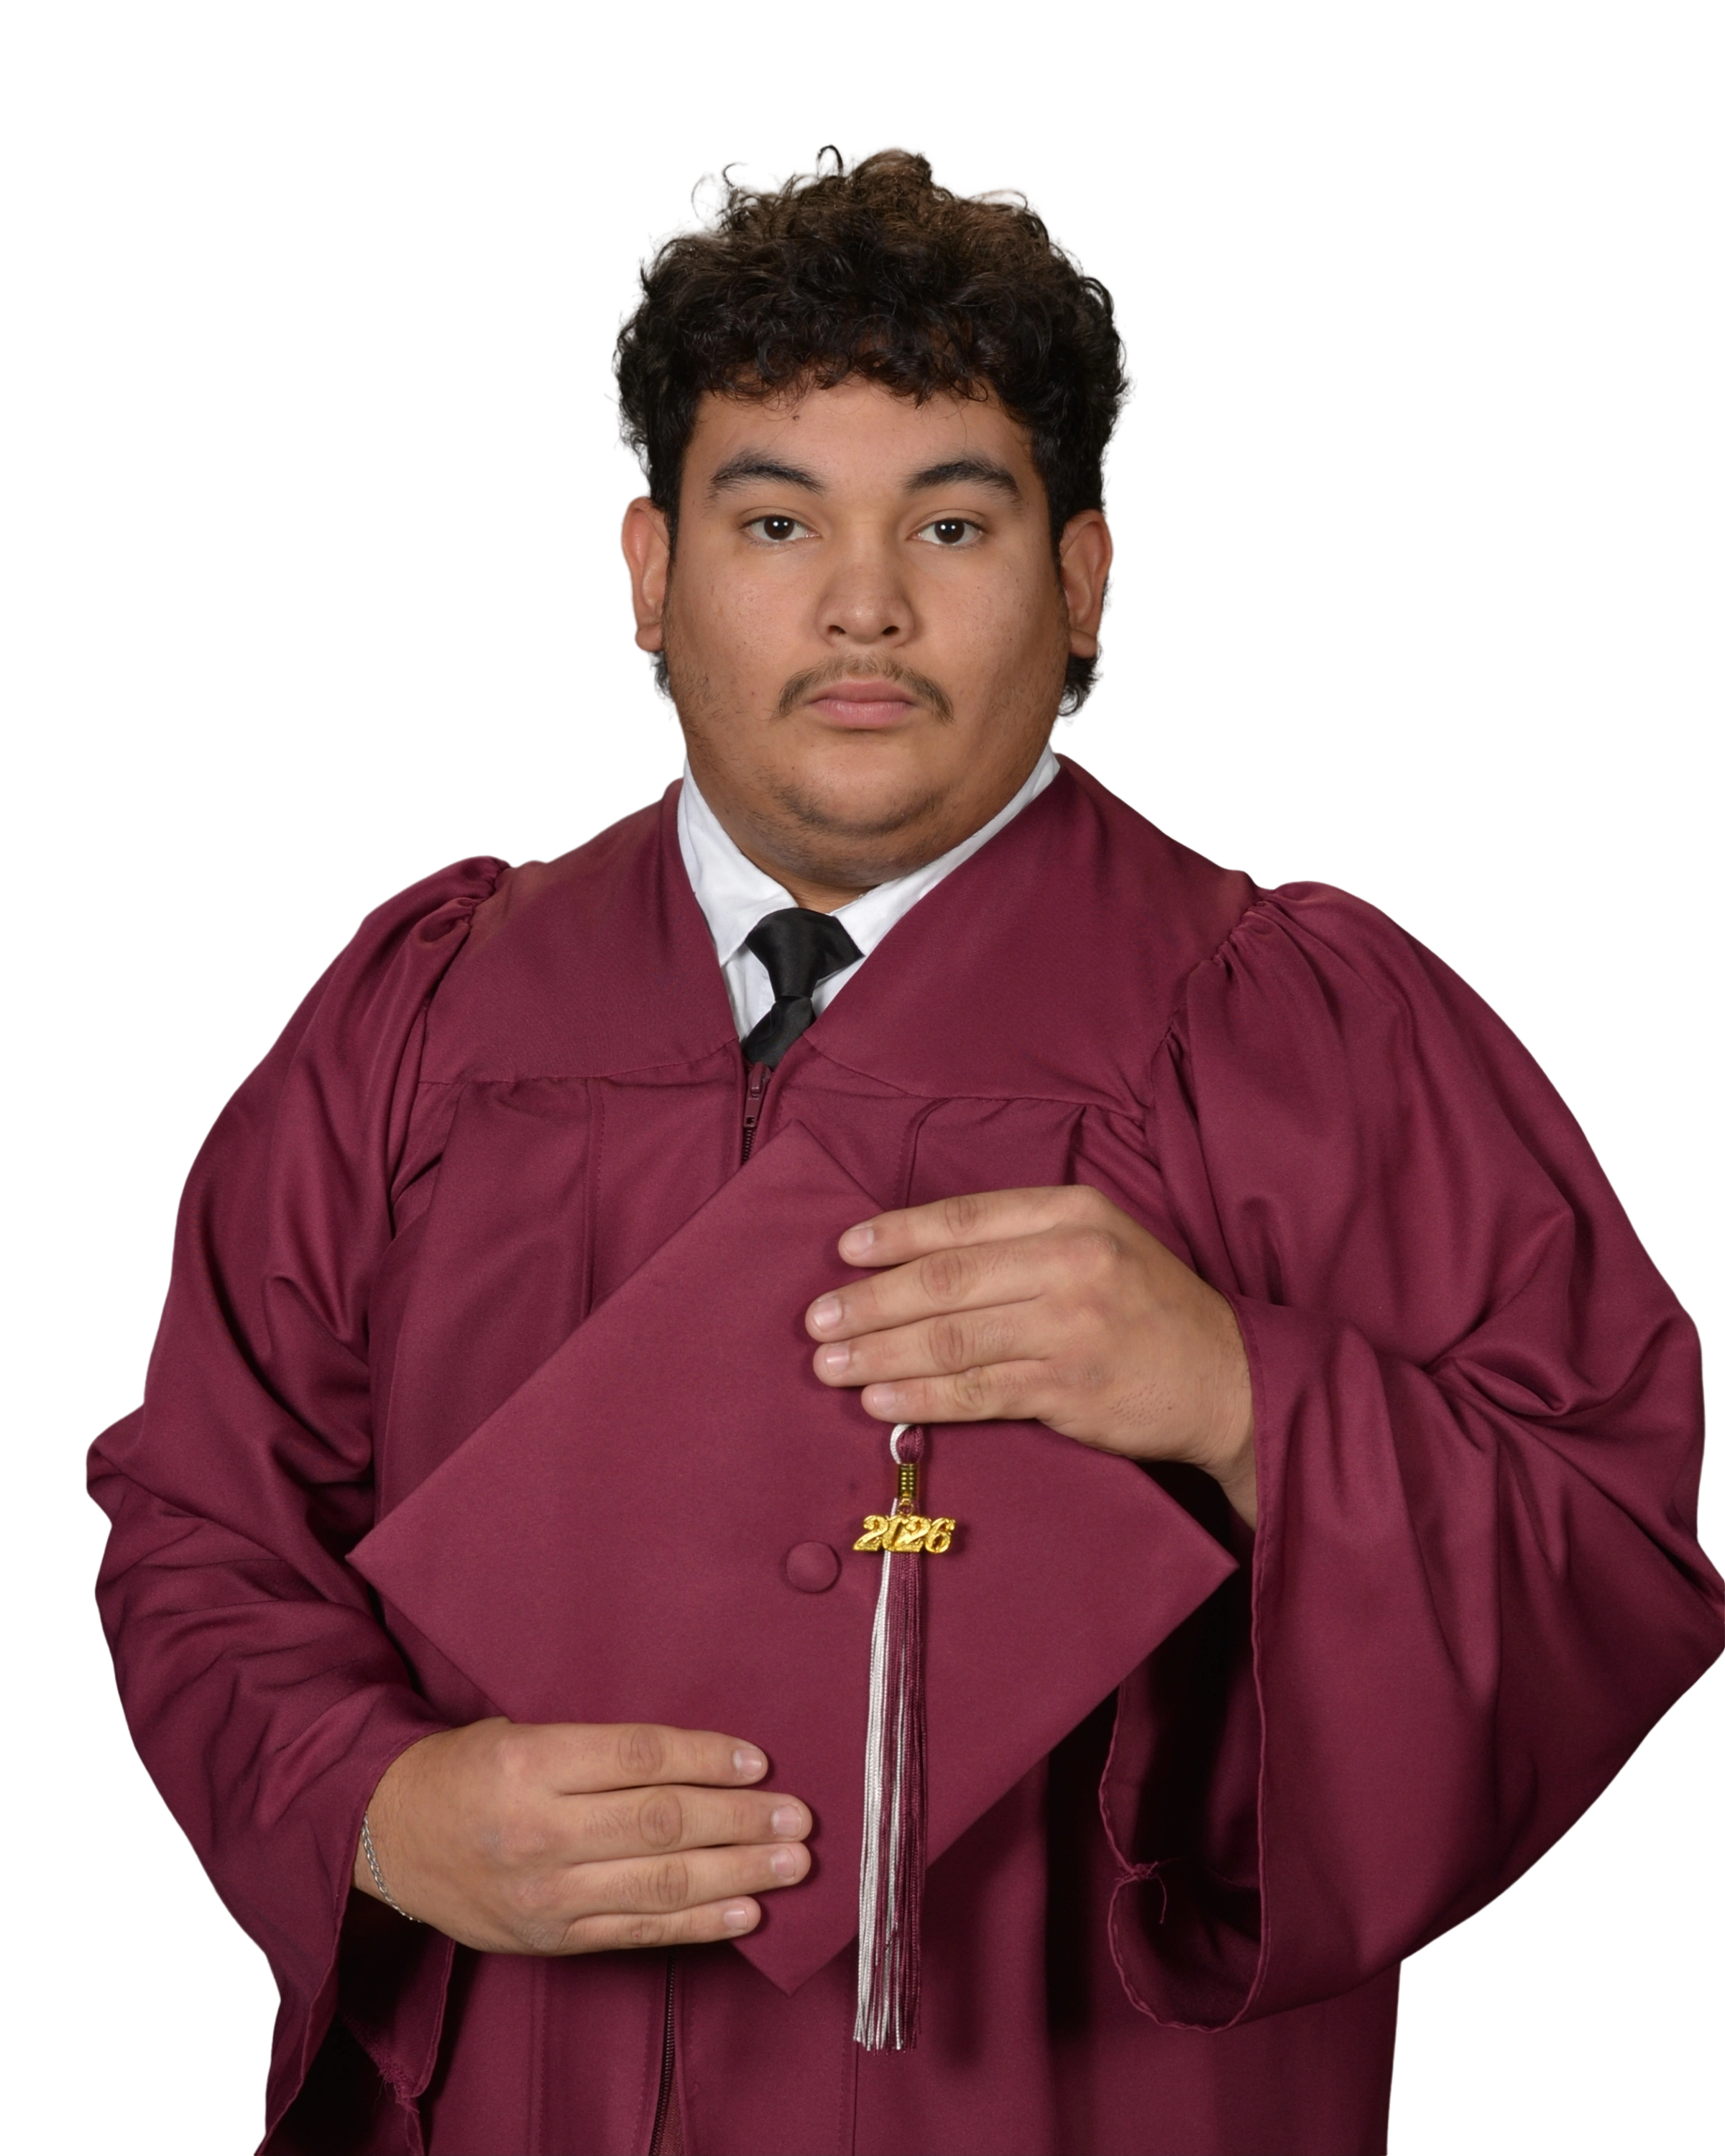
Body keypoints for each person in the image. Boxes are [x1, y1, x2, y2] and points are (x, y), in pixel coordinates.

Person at [86, 139, 1724, 2156]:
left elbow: (1606, 1540)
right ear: (650, 569)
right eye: (776, 519)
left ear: (1086, 574)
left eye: (952, 523)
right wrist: (378, 1808)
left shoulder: (1309, 1032)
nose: (863, 605)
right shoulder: (425, 1016)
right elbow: (203, 1523)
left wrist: (1244, 1393)